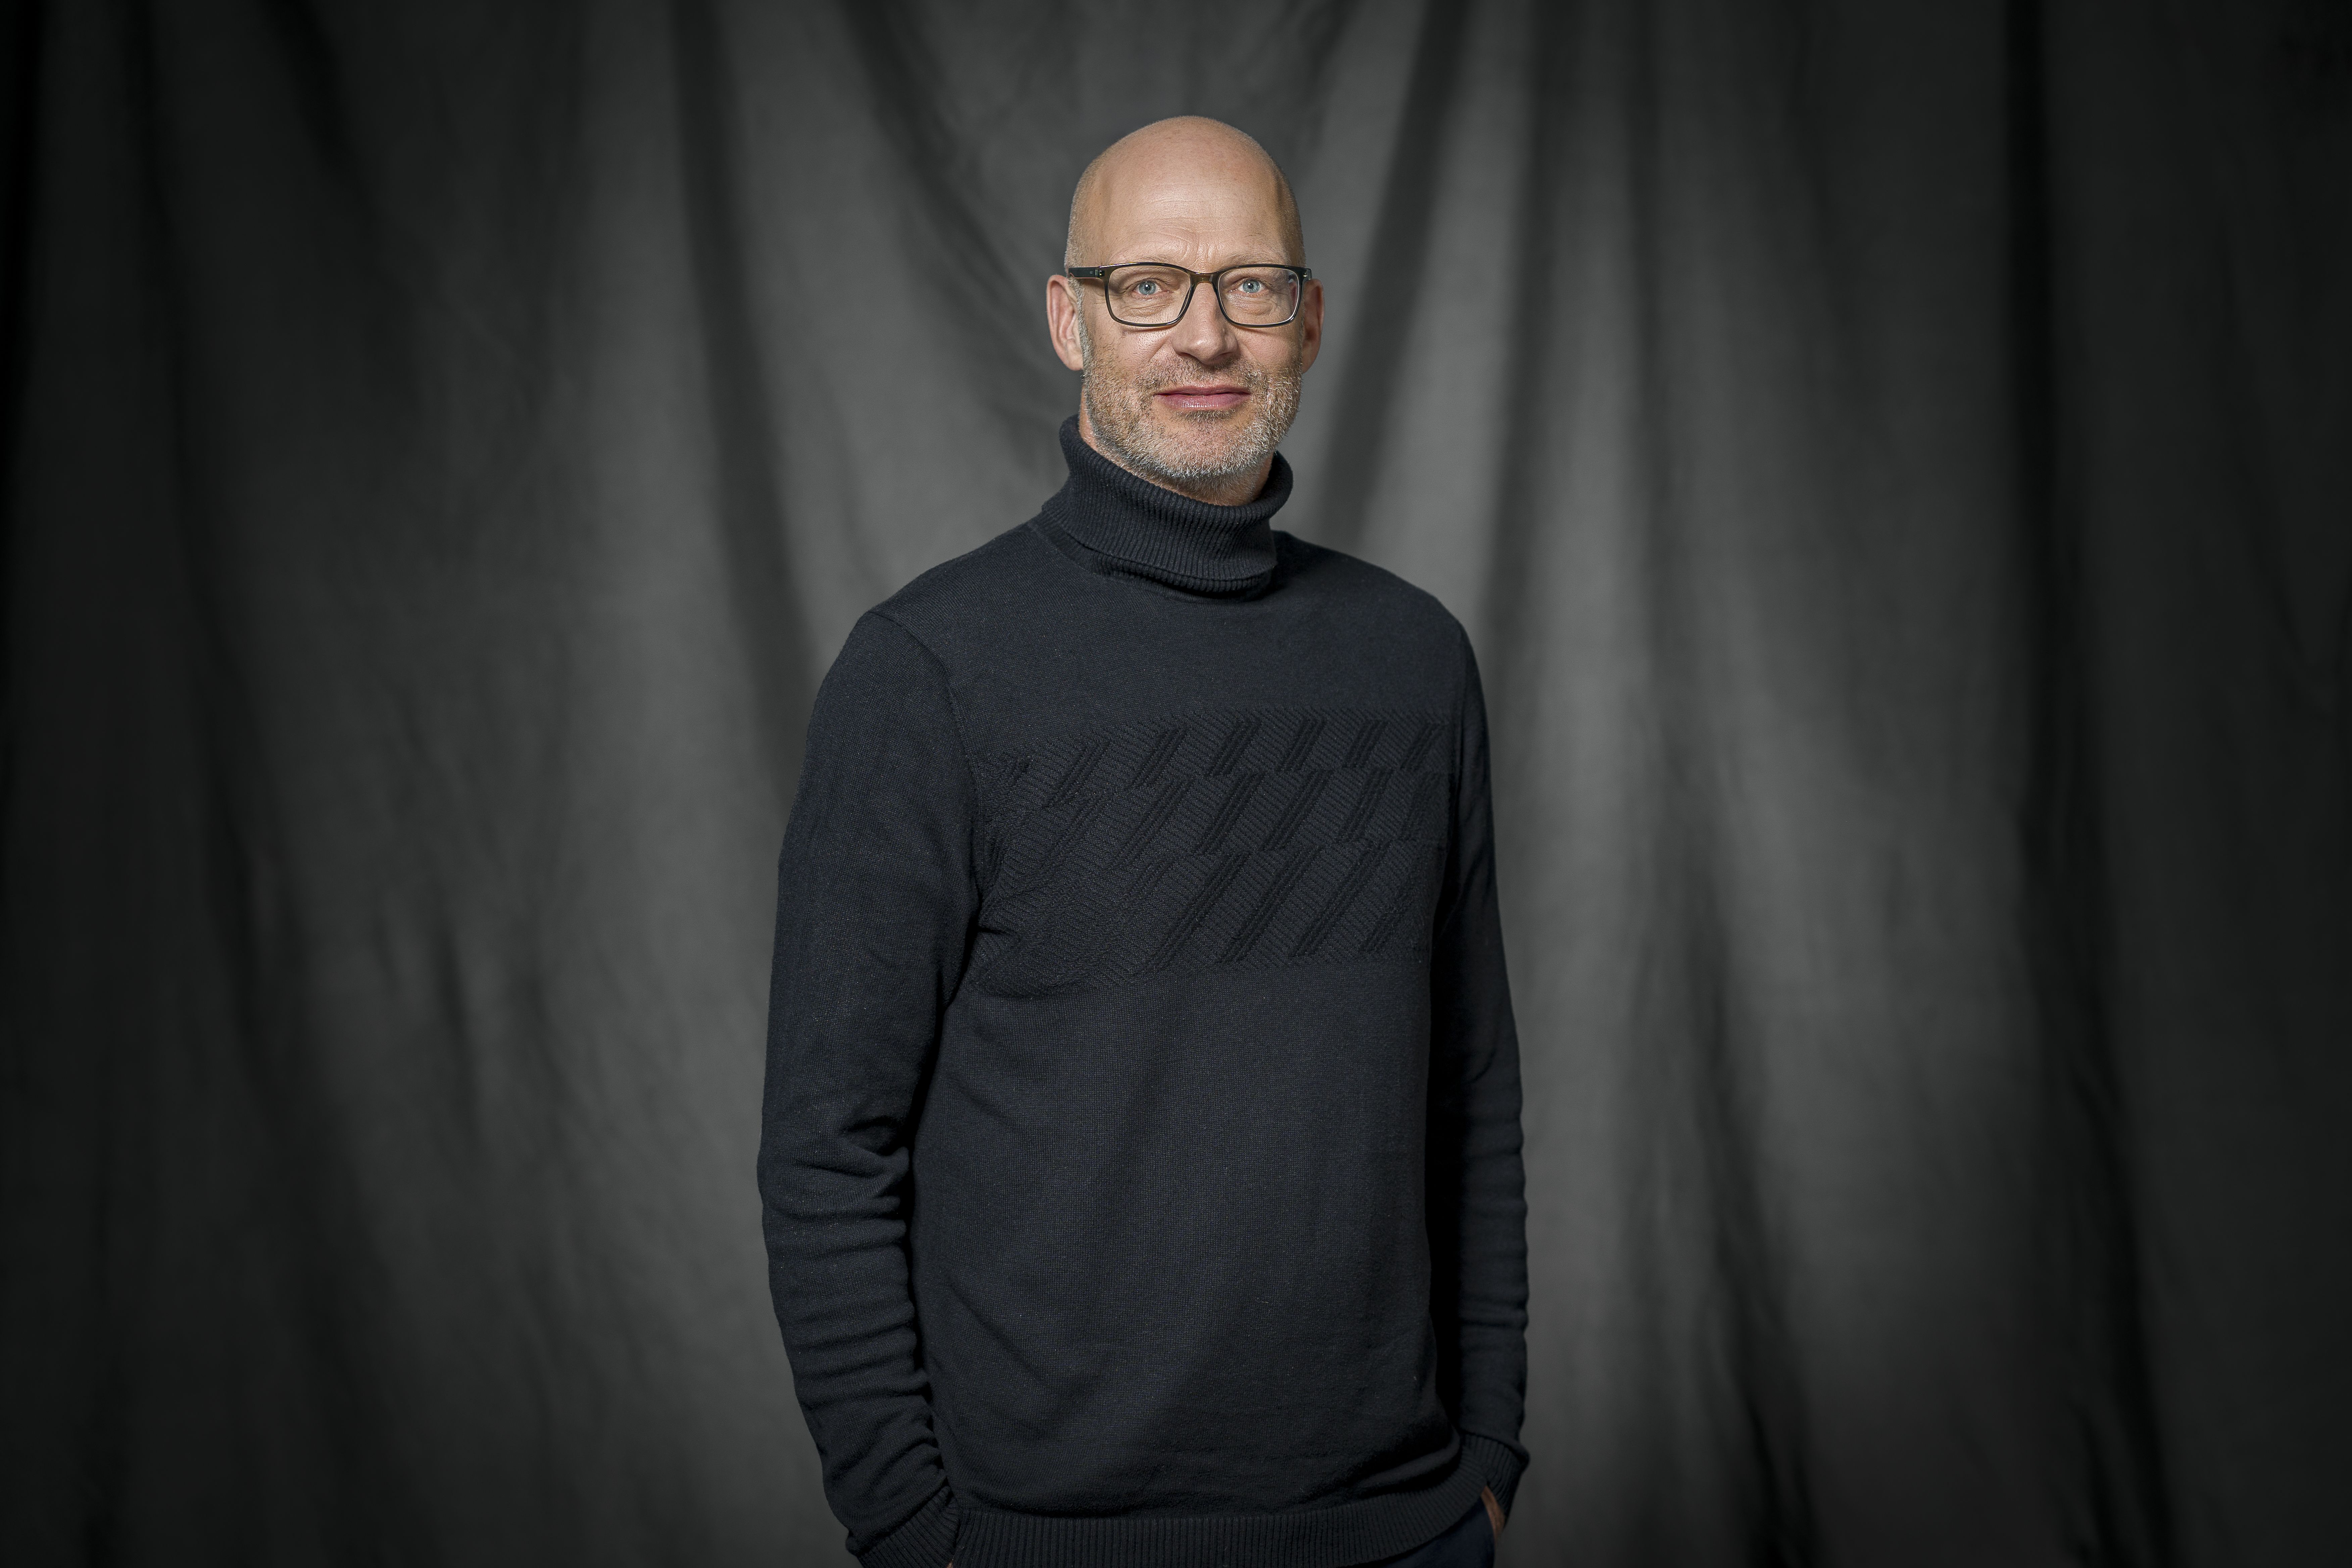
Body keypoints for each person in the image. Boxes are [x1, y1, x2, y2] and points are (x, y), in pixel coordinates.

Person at [758, 116, 1528, 1568]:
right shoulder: (929, 673)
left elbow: (1471, 1094)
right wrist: (916, 1533)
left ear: (1308, 320)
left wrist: (1486, 1461)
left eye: (1251, 285)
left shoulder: (1414, 661)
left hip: (1405, 1529)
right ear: (1071, 320)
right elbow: (826, 1147)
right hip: (1037, 1542)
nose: (1206, 334)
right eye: (1149, 285)